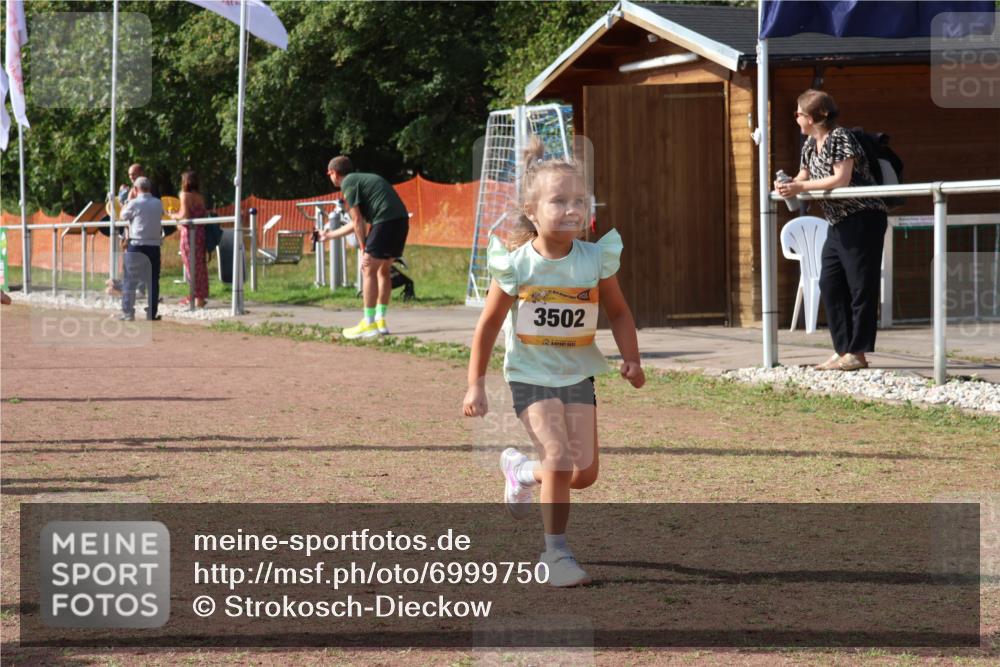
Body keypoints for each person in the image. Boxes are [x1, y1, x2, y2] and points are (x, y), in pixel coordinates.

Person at [462, 138, 645, 587]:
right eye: (559, 201)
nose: (572, 209)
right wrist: (476, 384)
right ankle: (555, 555)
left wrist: (632, 359)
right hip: (530, 376)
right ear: (532, 210)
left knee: (582, 475)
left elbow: (619, 313)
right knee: (559, 458)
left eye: (579, 200)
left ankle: (521, 472)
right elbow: (488, 325)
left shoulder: (596, 259)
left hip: (577, 375)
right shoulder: (516, 266)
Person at [775, 89, 889, 372]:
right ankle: (843, 350)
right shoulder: (809, 144)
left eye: (798, 113)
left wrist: (800, 186)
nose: (795, 118)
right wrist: (787, 184)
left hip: (863, 218)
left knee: (860, 286)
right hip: (838, 221)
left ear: (812, 117)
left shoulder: (840, 137)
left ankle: (857, 352)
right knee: (830, 283)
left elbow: (841, 178)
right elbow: (803, 177)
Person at [322, 156, 409, 338]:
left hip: (384, 221)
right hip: (400, 221)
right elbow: (357, 222)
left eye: (329, 174)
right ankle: (380, 320)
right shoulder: (362, 179)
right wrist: (329, 235)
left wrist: (363, 248)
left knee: (368, 269)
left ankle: (368, 323)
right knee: (383, 270)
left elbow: (356, 220)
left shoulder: (348, 183)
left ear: (334, 173)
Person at [118, 177, 163, 321]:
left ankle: (128, 311)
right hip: (154, 245)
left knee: (130, 279)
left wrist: (128, 200)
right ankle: (152, 312)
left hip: (137, 244)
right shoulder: (158, 203)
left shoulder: (134, 203)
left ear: (136, 189)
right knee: (153, 279)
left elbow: (122, 216)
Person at [170, 169, 209, 308]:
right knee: (200, 266)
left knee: (190, 265)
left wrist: (173, 215)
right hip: (201, 233)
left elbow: (184, 215)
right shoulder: (200, 197)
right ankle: (200, 296)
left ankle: (194, 296)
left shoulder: (184, 195)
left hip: (189, 234)